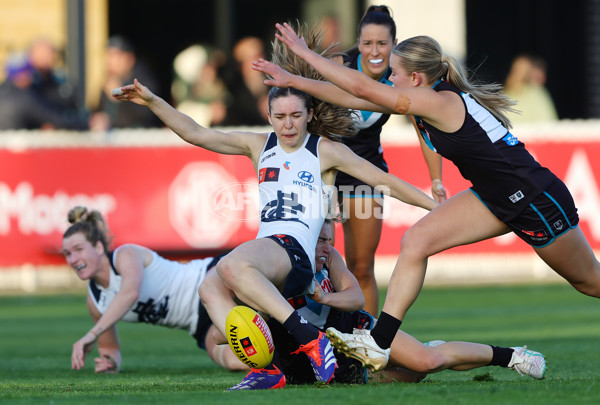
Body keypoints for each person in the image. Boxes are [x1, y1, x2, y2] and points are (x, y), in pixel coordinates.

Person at [263, 22, 600, 372]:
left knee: (589, 281)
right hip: (494, 196)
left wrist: (302, 55)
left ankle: (378, 342)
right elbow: (354, 97)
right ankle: (379, 344)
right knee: (417, 240)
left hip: (534, 198)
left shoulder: (437, 100)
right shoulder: (423, 100)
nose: (388, 79)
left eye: (393, 73)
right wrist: (294, 81)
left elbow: (362, 87)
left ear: (416, 78)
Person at [112, 70, 437, 388]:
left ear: (309, 115)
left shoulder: (324, 151)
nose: (288, 123)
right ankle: (268, 368)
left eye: (296, 114)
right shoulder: (259, 146)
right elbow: (197, 133)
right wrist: (153, 101)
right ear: (268, 116)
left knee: (229, 266)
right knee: (209, 292)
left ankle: (309, 338)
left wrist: (435, 207)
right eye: (280, 116)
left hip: (296, 252)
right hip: (270, 255)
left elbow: (386, 182)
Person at [269, 219, 546, 386]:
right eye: (319, 241)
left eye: (329, 240)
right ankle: (425, 350)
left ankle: (513, 357)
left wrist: (324, 297)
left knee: (426, 362)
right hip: (310, 363)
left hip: (356, 332)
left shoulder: (330, 258)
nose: (327, 248)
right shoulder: (278, 267)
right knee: (414, 374)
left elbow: (356, 298)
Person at [332, 5, 448, 315]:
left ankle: (369, 349)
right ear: (357, 42)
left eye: (382, 44)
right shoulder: (337, 66)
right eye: (367, 43)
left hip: (366, 177)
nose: (374, 51)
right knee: (322, 265)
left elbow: (425, 131)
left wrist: (436, 180)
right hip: (325, 174)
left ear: (394, 44)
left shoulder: (401, 77)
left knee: (362, 266)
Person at [63, 206, 246, 374]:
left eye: (79, 249)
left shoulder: (125, 255)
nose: (73, 259)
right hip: (199, 323)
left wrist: (91, 334)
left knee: (231, 293)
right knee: (236, 361)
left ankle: (269, 313)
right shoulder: (95, 302)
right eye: (68, 254)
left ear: (99, 247)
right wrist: (110, 363)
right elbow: (109, 350)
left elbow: (129, 293)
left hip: (206, 279)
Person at [89, 36, 162, 131]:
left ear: (129, 59)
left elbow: (148, 115)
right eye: (107, 56)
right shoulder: (108, 81)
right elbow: (99, 112)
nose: (109, 61)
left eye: (114, 56)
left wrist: (121, 96)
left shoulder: (143, 80)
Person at [0, 52, 83, 130]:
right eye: (30, 73)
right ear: (24, 75)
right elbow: (54, 118)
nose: (32, 78)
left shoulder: (4, 91)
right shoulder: (25, 96)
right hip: (17, 143)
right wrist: (84, 123)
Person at [220, 37, 270, 126]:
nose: (261, 60)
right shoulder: (232, 90)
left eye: (261, 54)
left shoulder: (278, 83)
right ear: (241, 64)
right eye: (254, 57)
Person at [503, 54, 558, 124]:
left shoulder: (536, 93)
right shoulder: (506, 93)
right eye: (515, 70)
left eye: (522, 71)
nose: (517, 75)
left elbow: (548, 121)